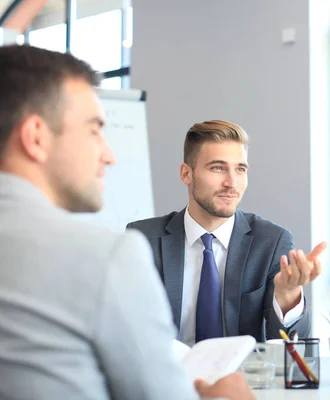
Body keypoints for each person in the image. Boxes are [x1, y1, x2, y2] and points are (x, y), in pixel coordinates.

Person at [0, 45, 254, 400]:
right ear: (36, 137)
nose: (109, 154)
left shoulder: (270, 239)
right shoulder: (107, 256)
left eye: (240, 168)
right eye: (93, 130)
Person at [127, 120, 326, 345]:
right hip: (169, 377)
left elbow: (291, 349)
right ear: (186, 174)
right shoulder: (142, 239)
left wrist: (288, 296)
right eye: (218, 168)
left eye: (240, 169)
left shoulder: (271, 243)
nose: (232, 183)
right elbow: (126, 332)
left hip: (241, 378)